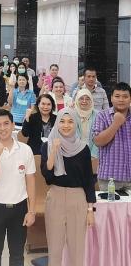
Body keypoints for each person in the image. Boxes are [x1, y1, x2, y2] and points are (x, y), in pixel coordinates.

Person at [0, 109, 36, 266]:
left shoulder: (25, 150)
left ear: (12, 125)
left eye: (6, 124)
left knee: (17, 256)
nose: (2, 128)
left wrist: (31, 211)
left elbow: (31, 181)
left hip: (19, 209)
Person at [41, 108, 95, 266]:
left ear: (76, 124)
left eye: (70, 121)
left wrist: (90, 210)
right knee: (54, 248)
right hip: (55, 197)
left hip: (78, 199)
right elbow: (47, 175)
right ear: (57, 123)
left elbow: (88, 180)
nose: (66, 125)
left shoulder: (83, 148)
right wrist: (54, 151)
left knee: (77, 248)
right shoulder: (48, 145)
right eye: (62, 121)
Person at [93, 82, 131, 190]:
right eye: (117, 96)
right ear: (111, 98)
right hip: (109, 178)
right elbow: (98, 141)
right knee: (109, 203)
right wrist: (115, 124)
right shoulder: (102, 115)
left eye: (125, 96)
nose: (121, 99)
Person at [74, 89, 98, 158]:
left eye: (87, 99)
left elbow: (99, 135)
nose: (84, 101)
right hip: (74, 153)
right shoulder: (71, 114)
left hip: (94, 154)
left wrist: (93, 155)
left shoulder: (98, 115)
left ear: (91, 101)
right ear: (77, 100)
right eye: (81, 98)